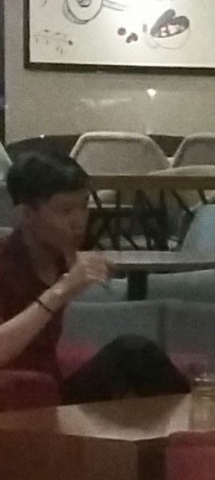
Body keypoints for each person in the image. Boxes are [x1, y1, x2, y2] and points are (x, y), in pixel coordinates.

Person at [0, 148, 189, 402]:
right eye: (65, 210)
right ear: (26, 214)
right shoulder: (5, 261)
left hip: (51, 393)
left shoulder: (60, 258)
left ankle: (201, 422)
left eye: (84, 206)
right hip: (12, 397)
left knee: (136, 353)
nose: (79, 221)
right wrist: (60, 291)